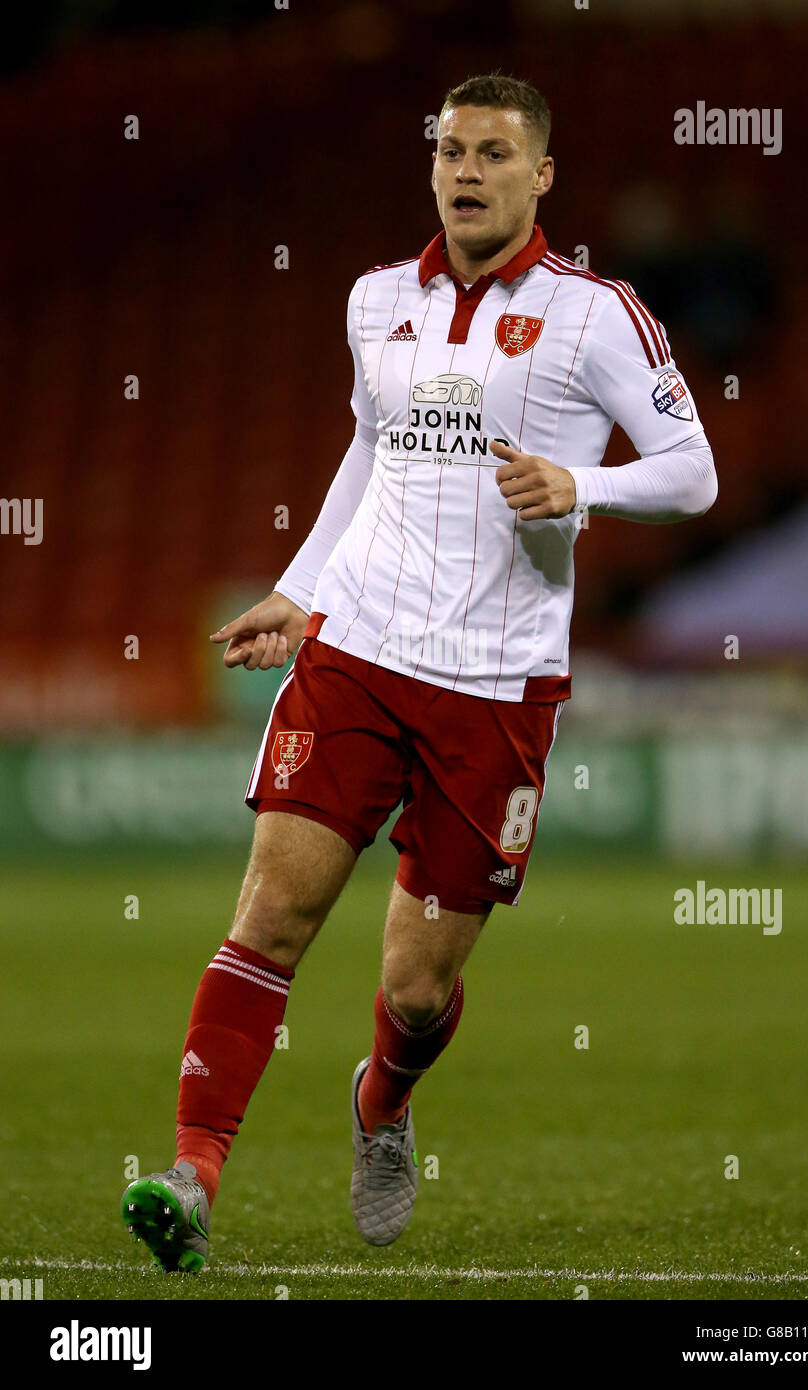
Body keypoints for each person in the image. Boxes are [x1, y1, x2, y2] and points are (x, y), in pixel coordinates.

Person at [120, 73, 717, 1272]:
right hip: (359, 656)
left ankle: (383, 1101)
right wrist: (303, 589)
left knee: (419, 991)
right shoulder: (374, 300)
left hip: (495, 689)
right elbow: (367, 454)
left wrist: (581, 484)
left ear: (541, 174)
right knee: (272, 915)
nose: (467, 170)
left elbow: (693, 469)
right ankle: (191, 1174)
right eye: (451, 149)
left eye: (495, 152)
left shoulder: (596, 315)